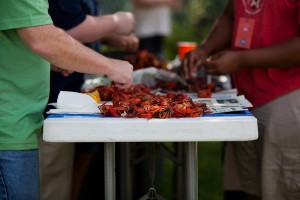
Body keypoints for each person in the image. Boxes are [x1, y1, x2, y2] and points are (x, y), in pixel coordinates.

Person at [0, 0, 133, 199]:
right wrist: (111, 66)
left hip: (18, 124)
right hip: (8, 130)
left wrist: (51, 61)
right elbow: (43, 39)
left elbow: (19, 36)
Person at [182, 0, 300, 200]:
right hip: (243, 102)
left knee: (282, 190)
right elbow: (231, 14)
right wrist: (205, 49)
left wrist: (241, 59)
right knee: (243, 191)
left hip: (286, 100)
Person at [39, 1, 139, 200]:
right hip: (52, 97)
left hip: (77, 89)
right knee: (53, 170)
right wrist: (116, 22)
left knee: (81, 157)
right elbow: (64, 31)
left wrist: (107, 35)